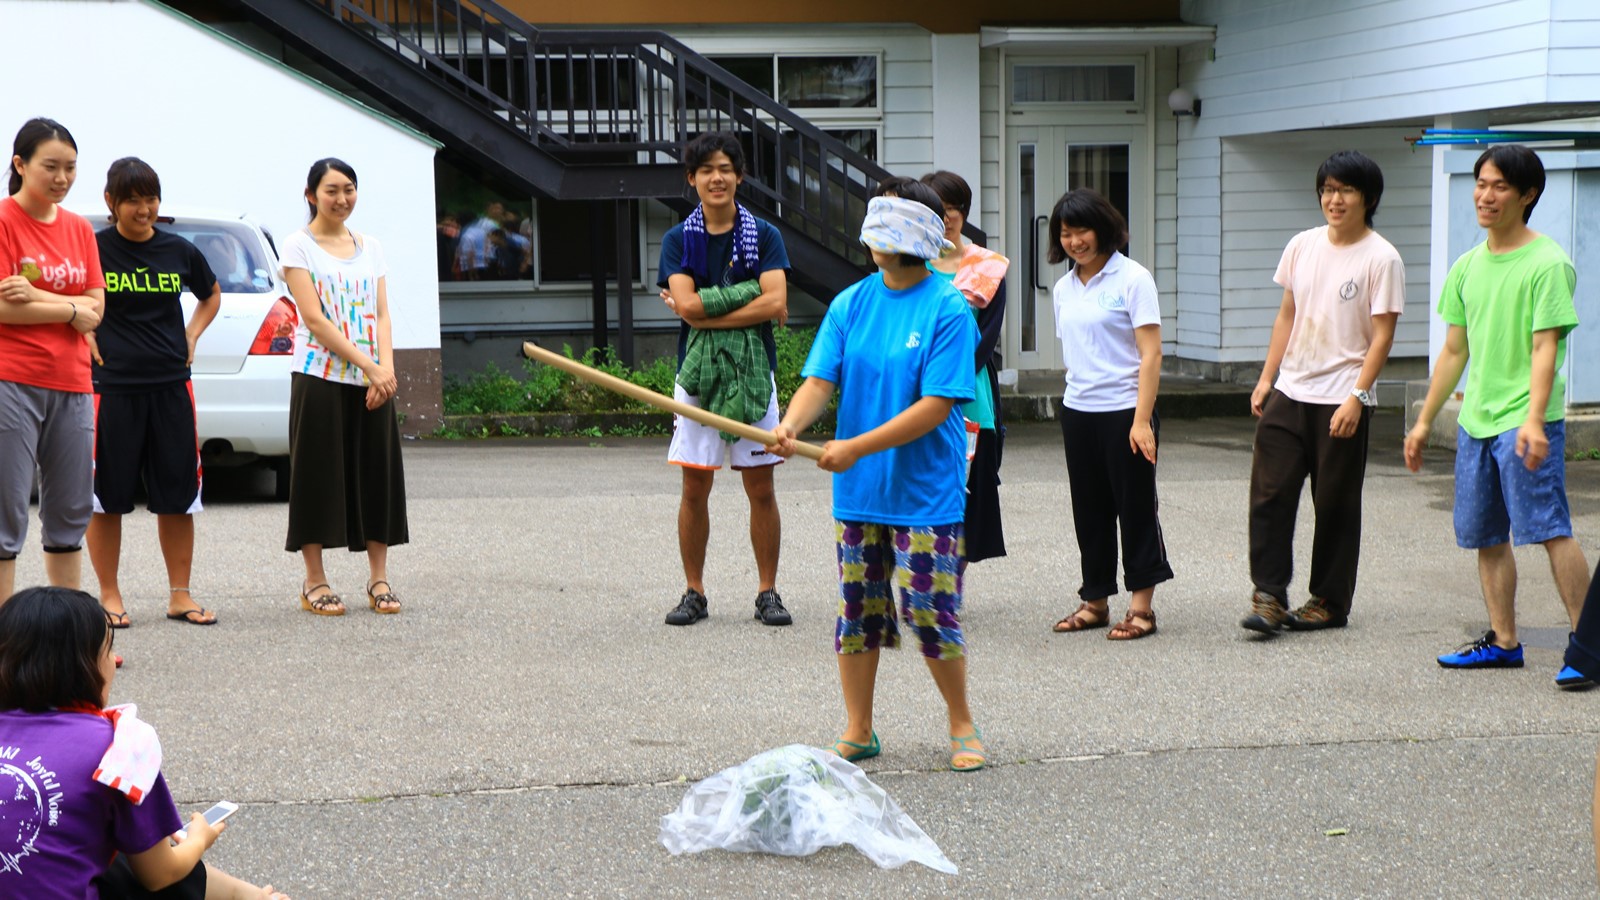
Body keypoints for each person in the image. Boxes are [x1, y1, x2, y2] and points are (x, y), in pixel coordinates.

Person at [768, 179, 986, 771]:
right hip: (859, 493)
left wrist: (853, 447)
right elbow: (820, 381)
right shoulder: (851, 303)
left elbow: (937, 406)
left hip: (923, 492)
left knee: (929, 609)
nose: (871, 241)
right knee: (858, 609)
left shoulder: (948, 308)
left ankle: (962, 724)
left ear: (907, 238)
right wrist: (791, 426)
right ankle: (858, 728)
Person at [1404, 144, 1589, 672]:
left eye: (1499, 186)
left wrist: (1533, 418)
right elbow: (1455, 351)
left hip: (1525, 420)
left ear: (1528, 194)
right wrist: (1422, 421)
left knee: (1550, 528)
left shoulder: (1548, 262)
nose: (1485, 195)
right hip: (1476, 422)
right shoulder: (1467, 266)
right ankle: (1504, 642)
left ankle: (1589, 642)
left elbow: (1545, 347)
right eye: (1481, 183)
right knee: (1486, 534)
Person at [0, 586, 290, 899]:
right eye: (108, 650)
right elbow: (159, 874)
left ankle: (248, 896)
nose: (112, 661)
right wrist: (198, 840)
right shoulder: (118, 745)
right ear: (87, 666)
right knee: (140, 855)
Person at [1240, 151, 1404, 634]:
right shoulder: (1302, 245)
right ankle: (1268, 596)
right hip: (1291, 389)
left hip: (1342, 394)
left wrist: (1358, 396)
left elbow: (1383, 335)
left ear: (1367, 198)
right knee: (1270, 495)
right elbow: (1288, 314)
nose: (1334, 199)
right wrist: (1267, 378)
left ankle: (1329, 601)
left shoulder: (1382, 257)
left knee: (1334, 501)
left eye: (1345, 190)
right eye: (1327, 190)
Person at [658, 132, 791, 627]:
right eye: (707, 169)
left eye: (726, 168)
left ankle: (768, 592)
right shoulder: (679, 240)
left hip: (756, 373)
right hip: (696, 378)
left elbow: (775, 302)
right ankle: (694, 591)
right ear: (691, 179)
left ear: (739, 176)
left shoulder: (765, 235)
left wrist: (703, 313)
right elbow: (688, 305)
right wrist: (747, 295)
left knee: (761, 487)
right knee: (695, 487)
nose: (718, 177)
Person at [85, 158, 222, 629]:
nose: (143, 209)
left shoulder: (178, 251)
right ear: (111, 202)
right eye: (133, 200)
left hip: (170, 386)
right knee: (107, 496)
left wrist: (191, 335)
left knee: (178, 495)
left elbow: (211, 294)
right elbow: (71, 298)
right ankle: (109, 594)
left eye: (150, 199)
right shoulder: (94, 248)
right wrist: (83, 332)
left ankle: (180, 595)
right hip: (112, 387)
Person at [281, 158, 407, 616]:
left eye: (349, 189)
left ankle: (379, 579)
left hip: (372, 379)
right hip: (319, 375)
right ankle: (315, 580)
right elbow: (313, 318)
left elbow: (382, 313)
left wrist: (384, 371)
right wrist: (371, 368)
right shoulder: (298, 247)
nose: (342, 199)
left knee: (378, 474)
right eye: (332, 190)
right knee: (317, 474)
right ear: (311, 194)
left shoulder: (369, 246)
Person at [1046, 188, 1173, 640]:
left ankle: (1142, 609)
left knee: (1135, 507)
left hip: (1126, 411)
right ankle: (1095, 600)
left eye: (1082, 230)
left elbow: (1151, 353)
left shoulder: (1133, 279)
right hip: (1079, 411)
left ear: (1104, 229)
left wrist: (1142, 420)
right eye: (1065, 232)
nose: (1074, 240)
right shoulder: (1063, 288)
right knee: (1090, 510)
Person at [0, 118, 104, 603]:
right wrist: (71, 310)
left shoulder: (79, 229)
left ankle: (71, 639)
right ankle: (6, 643)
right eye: (50, 167)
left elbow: (96, 309)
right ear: (20, 165)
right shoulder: (3, 221)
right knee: (7, 510)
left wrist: (41, 299)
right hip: (12, 379)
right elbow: (3, 308)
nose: (62, 178)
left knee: (69, 510)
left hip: (73, 382)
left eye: (71, 168)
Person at [921, 170, 1009, 564]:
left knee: (966, 488)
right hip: (917, 388)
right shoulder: (913, 262)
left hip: (970, 392)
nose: (947, 216)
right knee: (923, 484)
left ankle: (948, 580)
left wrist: (948, 380)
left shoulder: (987, 266)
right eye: (939, 208)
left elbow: (986, 338)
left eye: (955, 208)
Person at [454, 200, 503, 281]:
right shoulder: (482, 230)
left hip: (472, 267)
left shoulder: (467, 234)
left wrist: (471, 273)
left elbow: (469, 253)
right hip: (487, 263)